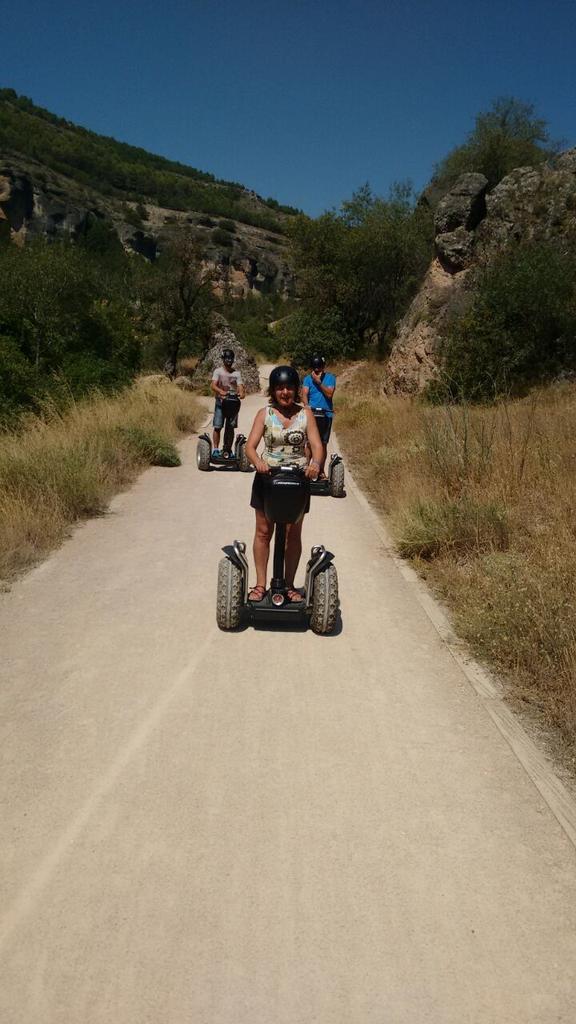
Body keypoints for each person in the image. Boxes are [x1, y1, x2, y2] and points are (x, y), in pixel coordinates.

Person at [245, 365, 323, 603]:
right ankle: (260, 585)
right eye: (280, 388)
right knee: (263, 532)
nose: (285, 392)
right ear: (273, 390)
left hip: (297, 481)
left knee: (292, 534)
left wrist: (316, 464)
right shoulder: (264, 414)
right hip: (267, 480)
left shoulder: (306, 414)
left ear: (296, 389)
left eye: (289, 387)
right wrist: (258, 461)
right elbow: (250, 447)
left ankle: (289, 585)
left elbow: (317, 446)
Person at [301, 354, 336, 479]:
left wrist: (319, 383)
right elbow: (304, 393)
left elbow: (329, 394)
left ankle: (320, 470)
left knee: (323, 444)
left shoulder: (331, 378)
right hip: (312, 414)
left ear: (323, 367)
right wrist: (306, 405)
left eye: (319, 368)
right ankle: (306, 467)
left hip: (326, 414)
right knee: (309, 443)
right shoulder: (307, 379)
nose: (317, 371)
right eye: (315, 368)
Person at [210, 349, 246, 457]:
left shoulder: (236, 373)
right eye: (227, 358)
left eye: (230, 358)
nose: (229, 360)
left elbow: (240, 387)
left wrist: (241, 393)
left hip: (232, 403)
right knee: (218, 426)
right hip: (221, 403)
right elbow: (213, 385)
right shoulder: (218, 371)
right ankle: (215, 450)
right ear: (223, 359)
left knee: (230, 428)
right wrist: (220, 391)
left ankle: (227, 450)